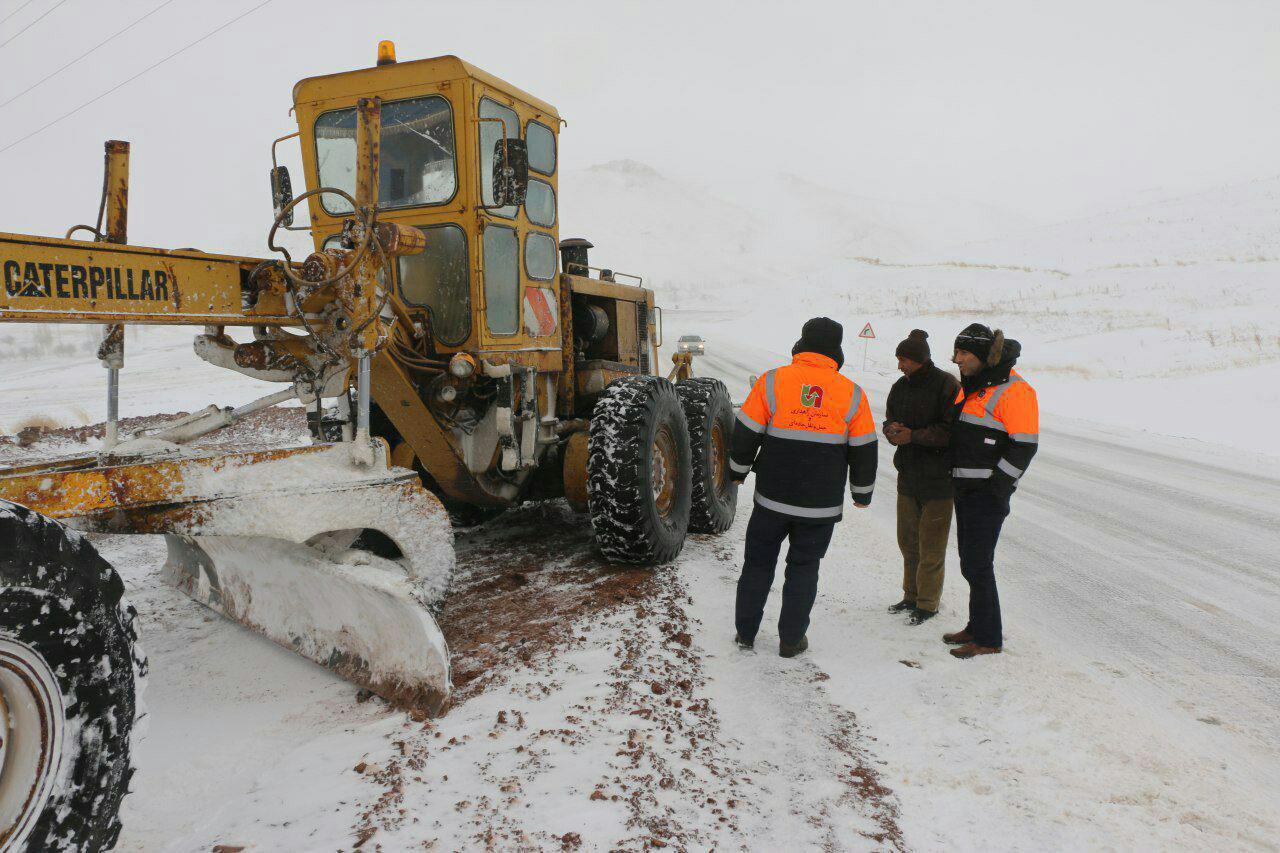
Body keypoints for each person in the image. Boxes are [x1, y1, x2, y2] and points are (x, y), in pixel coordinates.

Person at [728, 317, 878, 658]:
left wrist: (738, 472)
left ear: (802, 343)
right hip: (819, 506)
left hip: (772, 500)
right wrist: (861, 494)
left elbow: (746, 432)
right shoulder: (852, 393)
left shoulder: (773, 381)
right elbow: (865, 448)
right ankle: (791, 640)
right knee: (804, 569)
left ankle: (746, 633)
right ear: (836, 350)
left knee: (757, 564)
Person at [945, 324, 1039, 659]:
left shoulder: (1016, 391)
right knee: (969, 562)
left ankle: (988, 639)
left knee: (979, 564)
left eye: (964, 354)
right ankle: (976, 626)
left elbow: (1024, 446)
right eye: (957, 353)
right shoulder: (973, 387)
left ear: (983, 356)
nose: (957, 360)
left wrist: (997, 488)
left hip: (986, 494)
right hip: (965, 488)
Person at [882, 329, 960, 626]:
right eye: (898, 359)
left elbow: (950, 431)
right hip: (909, 475)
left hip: (939, 479)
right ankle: (911, 595)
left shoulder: (946, 385)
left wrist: (912, 436)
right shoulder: (899, 387)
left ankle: (927, 603)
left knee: (932, 545)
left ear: (918, 359)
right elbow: (889, 418)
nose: (899, 365)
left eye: (903, 359)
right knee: (908, 542)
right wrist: (891, 431)